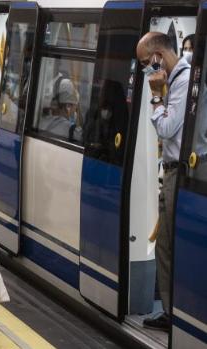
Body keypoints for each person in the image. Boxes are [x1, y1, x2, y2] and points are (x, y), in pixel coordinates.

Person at [136, 31, 190, 331]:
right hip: (169, 169)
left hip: (178, 173)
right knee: (164, 246)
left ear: (158, 56)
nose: (146, 69)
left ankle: (174, 315)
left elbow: (167, 128)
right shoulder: (177, 77)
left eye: (146, 63)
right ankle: (172, 311)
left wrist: (156, 96)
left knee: (168, 246)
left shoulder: (182, 81)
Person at [39, 78, 83, 143]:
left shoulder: (41, 122)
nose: (75, 111)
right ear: (68, 106)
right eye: (75, 107)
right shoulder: (72, 131)